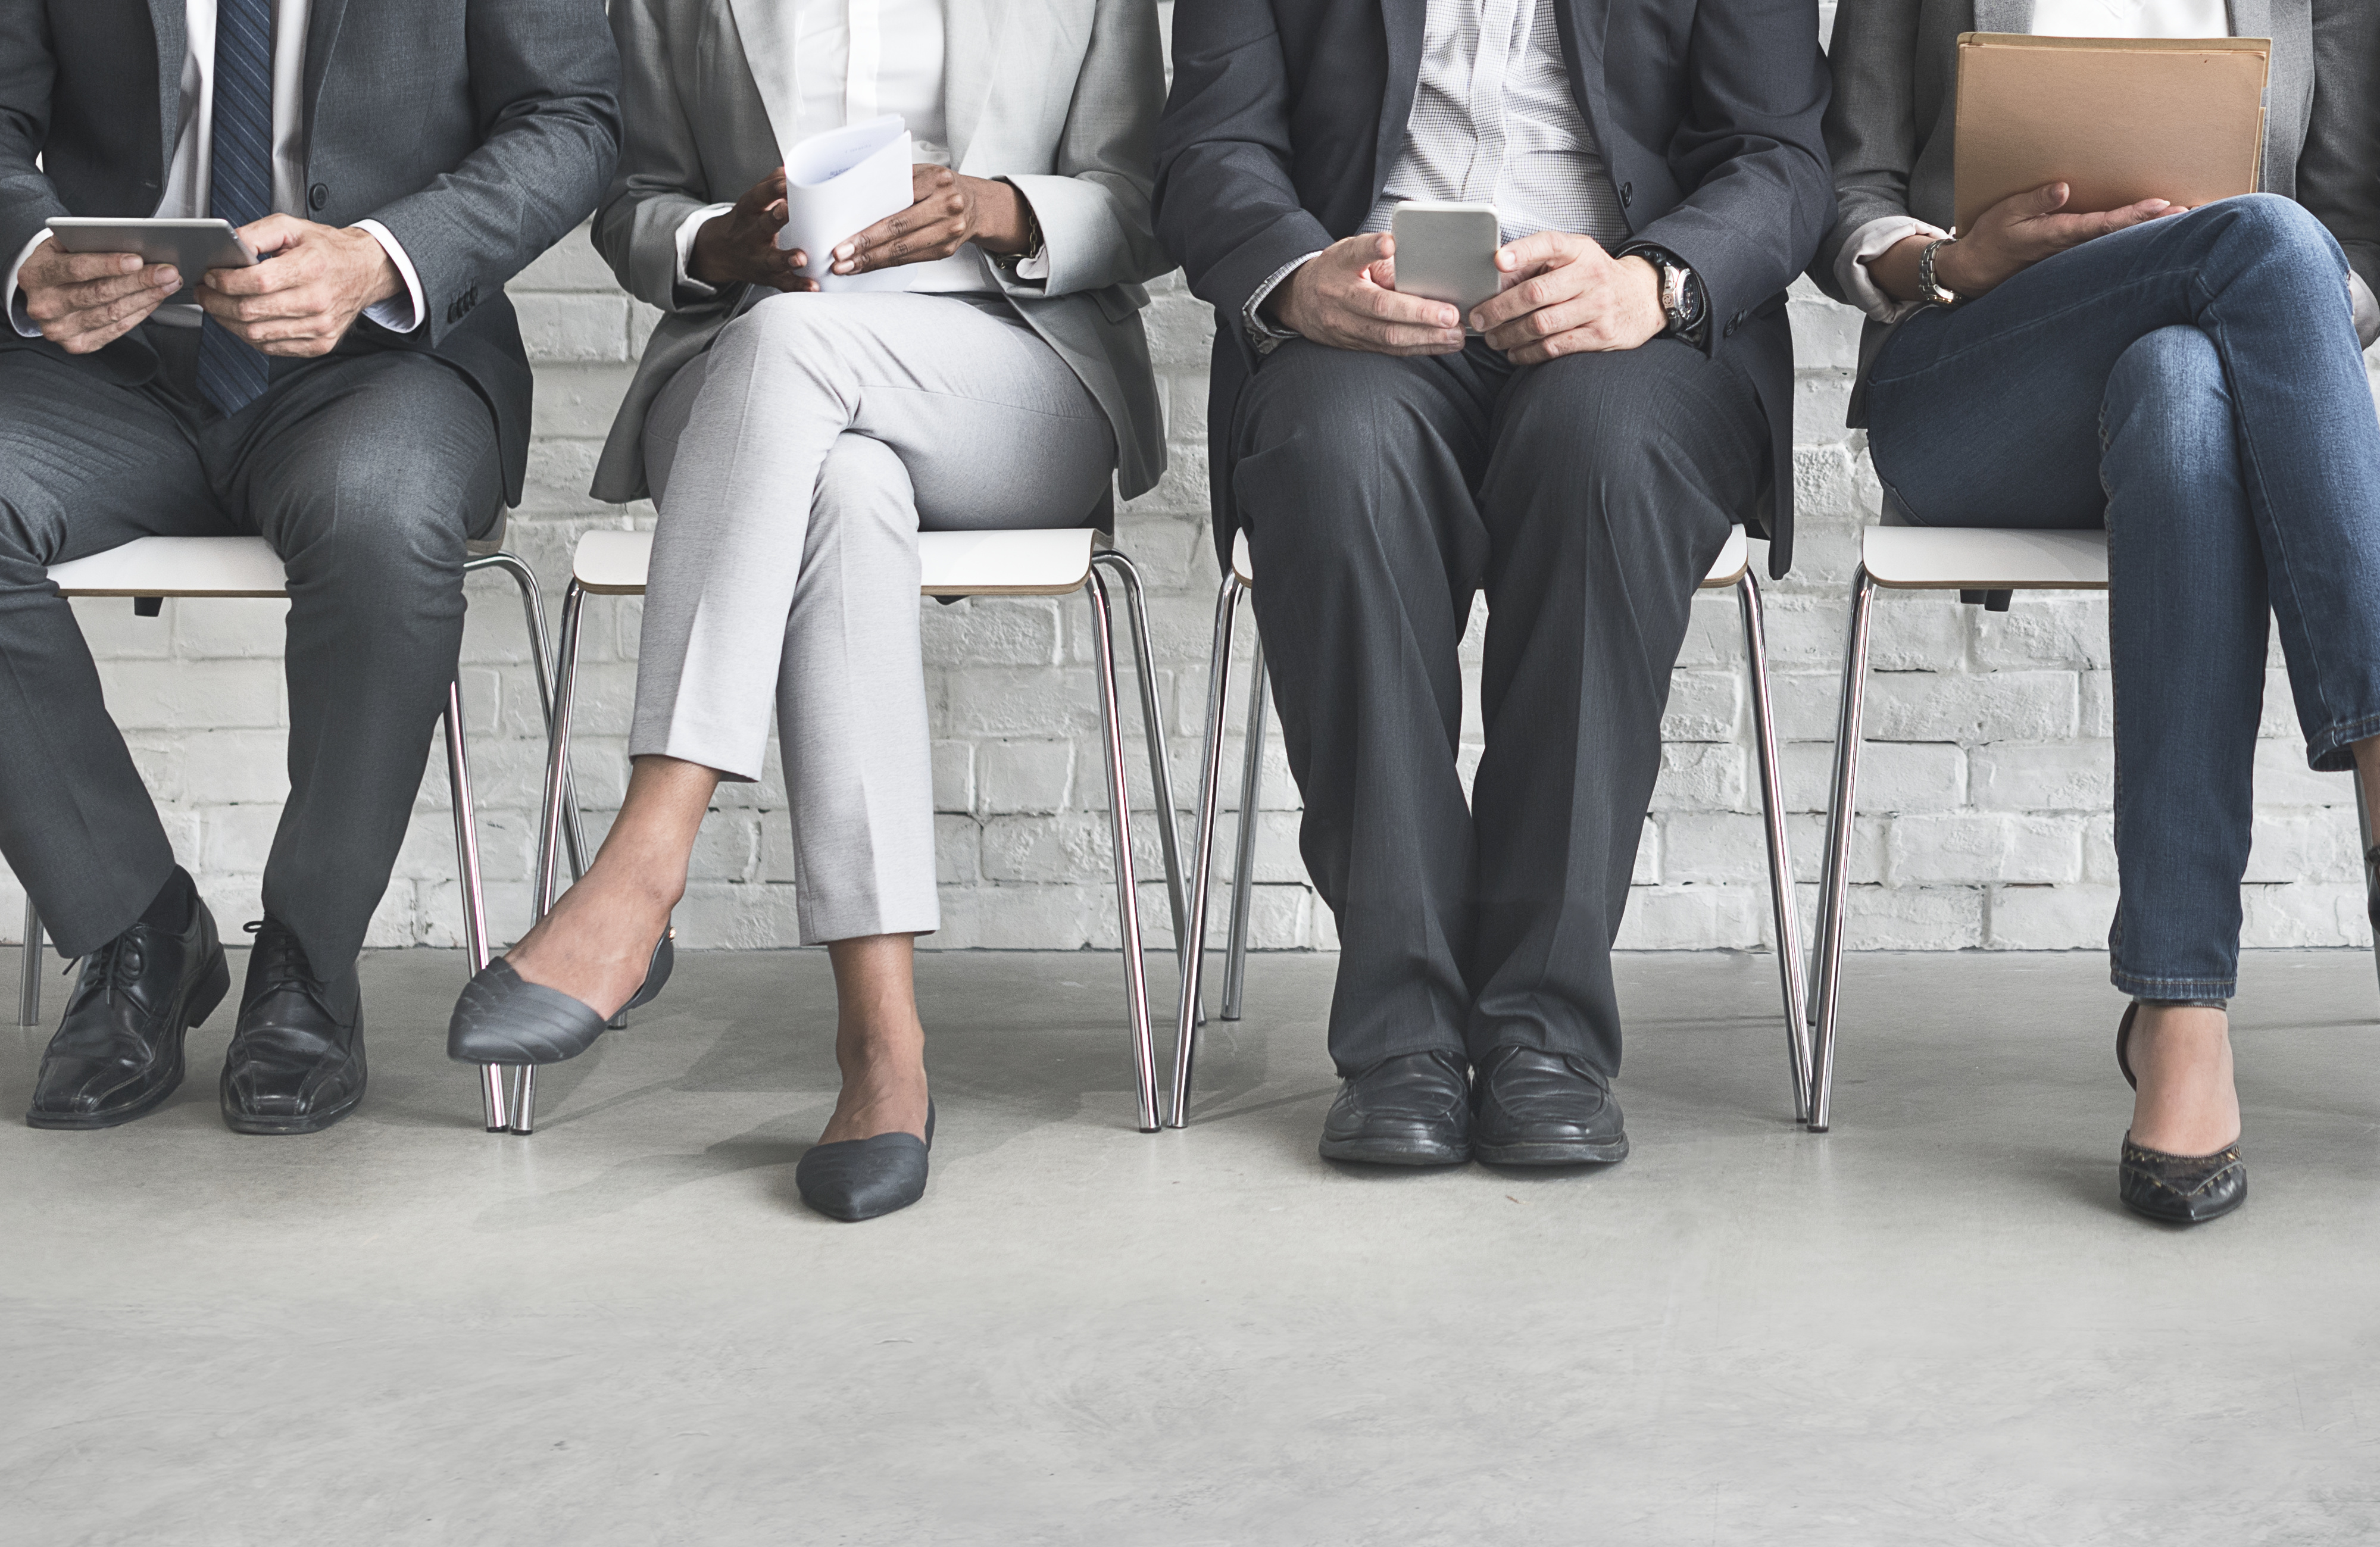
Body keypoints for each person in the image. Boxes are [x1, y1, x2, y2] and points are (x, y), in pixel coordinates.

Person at [446, 0, 1169, 1221]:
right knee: (840, 474)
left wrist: (998, 206)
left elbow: (1148, 199)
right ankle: (881, 1047)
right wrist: (717, 246)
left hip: (1010, 365)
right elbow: (635, 207)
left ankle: (640, 867)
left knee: (798, 354)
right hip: (753, 386)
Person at [1151, 1, 1832, 1168]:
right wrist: (1295, 276)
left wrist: (1653, 281)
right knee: (1337, 461)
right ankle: (1400, 1038)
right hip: (1363, 319)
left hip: (1626, 321)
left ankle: (1544, 1035)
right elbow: (1212, 145)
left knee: (1599, 461)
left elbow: (1780, 157)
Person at [1, 1, 619, 1135]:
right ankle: (136, 929)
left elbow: (571, 115)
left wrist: (384, 255)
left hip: (380, 359)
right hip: (113, 367)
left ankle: (309, 959)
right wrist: (34, 251)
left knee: (380, 518)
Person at [1815, 1, 2380, 1224]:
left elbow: (2364, 243)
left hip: (2214, 396)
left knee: (2183, 381)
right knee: (2270, 242)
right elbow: (1841, 189)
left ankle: (2180, 1010)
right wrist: (1944, 258)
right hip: (1974, 379)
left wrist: (2257, 309)